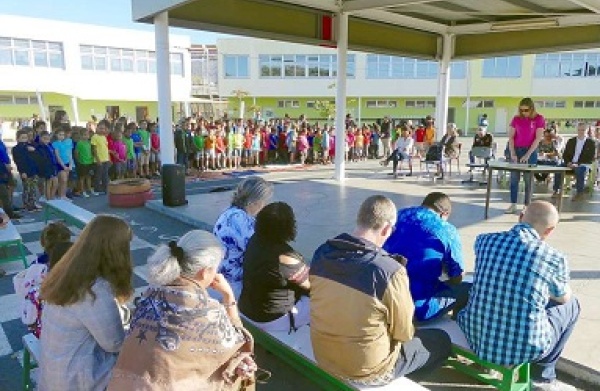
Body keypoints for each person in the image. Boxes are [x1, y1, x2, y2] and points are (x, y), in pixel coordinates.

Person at [310, 195, 451, 386]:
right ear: (386, 229)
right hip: (367, 370)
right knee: (440, 341)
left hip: (323, 356)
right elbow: (404, 333)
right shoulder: (390, 271)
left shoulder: (322, 253)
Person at [107, 230, 256, 390]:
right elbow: (239, 345)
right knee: (243, 367)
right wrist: (229, 297)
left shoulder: (150, 294)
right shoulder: (207, 310)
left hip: (125, 383)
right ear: (205, 271)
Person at [458, 201, 580, 391]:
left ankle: (486, 364)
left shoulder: (484, 240)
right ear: (550, 231)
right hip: (525, 347)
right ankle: (543, 378)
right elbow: (563, 298)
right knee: (573, 305)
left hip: (474, 333)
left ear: (521, 217)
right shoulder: (554, 257)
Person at [38, 215, 133, 391]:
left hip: (53, 375)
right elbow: (115, 343)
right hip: (76, 381)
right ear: (116, 251)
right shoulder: (95, 289)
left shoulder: (66, 271)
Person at [383, 192, 468, 322]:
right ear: (444, 214)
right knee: (468, 289)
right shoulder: (446, 229)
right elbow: (456, 277)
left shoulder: (399, 215)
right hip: (417, 307)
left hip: (386, 298)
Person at [239, 202, 310, 332]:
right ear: (288, 227)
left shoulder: (254, 241)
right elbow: (312, 286)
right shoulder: (285, 257)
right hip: (272, 319)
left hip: (246, 309)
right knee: (326, 298)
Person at [213, 176, 274, 297]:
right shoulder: (241, 220)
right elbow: (260, 251)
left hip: (221, 274)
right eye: (264, 201)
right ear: (255, 202)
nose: (265, 205)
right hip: (233, 281)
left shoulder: (231, 212)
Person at [506, 97, 545, 214]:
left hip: (530, 151)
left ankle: (527, 205)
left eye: (526, 110)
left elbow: (538, 138)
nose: (524, 112)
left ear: (532, 108)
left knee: (528, 179)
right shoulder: (516, 119)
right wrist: (512, 152)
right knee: (514, 178)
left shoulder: (539, 119)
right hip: (516, 150)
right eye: (521, 110)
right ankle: (513, 204)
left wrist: (528, 154)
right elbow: (511, 137)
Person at [552, 122, 596, 201]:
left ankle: (579, 194)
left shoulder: (591, 143)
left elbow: (590, 157)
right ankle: (556, 190)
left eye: (583, 130)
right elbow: (565, 155)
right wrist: (569, 162)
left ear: (587, 131)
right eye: (579, 130)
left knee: (580, 170)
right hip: (569, 163)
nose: (581, 132)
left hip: (583, 164)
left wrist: (577, 164)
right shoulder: (571, 141)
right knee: (558, 168)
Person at [11, 128, 41, 211]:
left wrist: (33, 150)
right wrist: (22, 171)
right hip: (25, 171)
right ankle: (26, 204)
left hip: (33, 170)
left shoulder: (29, 147)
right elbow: (19, 161)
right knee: (26, 189)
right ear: (17, 138)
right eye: (22, 138)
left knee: (33, 188)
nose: (24, 139)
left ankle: (32, 203)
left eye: (25, 137)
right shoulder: (16, 148)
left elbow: (36, 157)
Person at [91, 120, 111, 194]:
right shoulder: (94, 137)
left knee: (105, 175)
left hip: (105, 159)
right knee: (98, 175)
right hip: (99, 160)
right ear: (97, 128)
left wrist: (108, 158)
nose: (102, 130)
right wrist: (98, 160)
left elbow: (106, 148)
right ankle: (97, 188)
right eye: (100, 128)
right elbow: (94, 150)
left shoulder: (104, 137)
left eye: (104, 129)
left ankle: (105, 188)